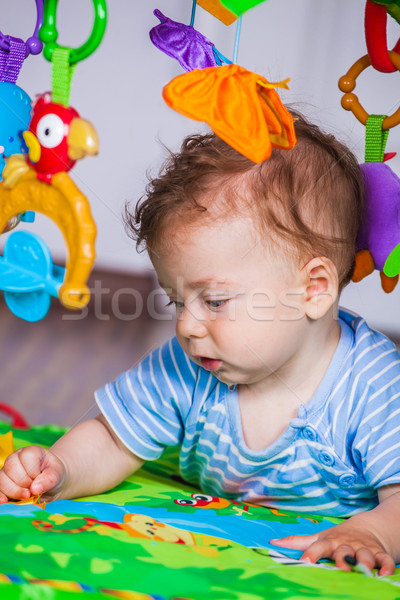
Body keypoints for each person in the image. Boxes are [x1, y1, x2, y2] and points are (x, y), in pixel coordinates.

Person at [1, 112, 400, 575]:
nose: (187, 326)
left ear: (312, 290)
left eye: (214, 300)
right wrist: (60, 469)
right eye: (176, 300)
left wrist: (372, 532)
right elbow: (114, 438)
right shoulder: (187, 367)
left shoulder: (372, 386)